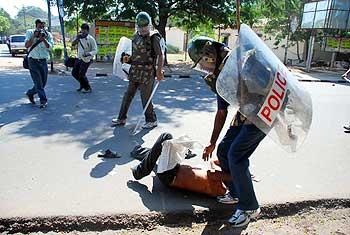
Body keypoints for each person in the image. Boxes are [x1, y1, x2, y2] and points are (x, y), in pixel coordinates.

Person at [188, 36, 267, 227]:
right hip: (244, 114)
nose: (203, 68)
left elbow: (265, 81)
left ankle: (249, 207)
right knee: (223, 151)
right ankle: (236, 193)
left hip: (263, 111)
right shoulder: (221, 75)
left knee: (236, 155)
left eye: (202, 63)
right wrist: (213, 142)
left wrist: (246, 71)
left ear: (209, 56)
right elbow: (221, 111)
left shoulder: (240, 61)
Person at [130, 132, 231, 197]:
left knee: (166, 138)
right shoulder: (223, 179)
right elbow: (214, 162)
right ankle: (138, 151)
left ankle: (139, 171)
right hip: (173, 169)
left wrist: (233, 172)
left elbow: (212, 173)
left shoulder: (221, 189)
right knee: (160, 152)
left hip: (169, 175)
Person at [111, 11, 164, 129]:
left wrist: (159, 71)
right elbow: (135, 56)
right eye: (141, 27)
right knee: (128, 95)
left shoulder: (153, 37)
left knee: (146, 97)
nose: (143, 29)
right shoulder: (135, 36)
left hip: (147, 72)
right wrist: (127, 59)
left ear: (149, 25)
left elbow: (160, 55)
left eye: (145, 27)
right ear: (137, 26)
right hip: (134, 71)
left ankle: (151, 120)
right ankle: (121, 118)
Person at [24, 19, 54, 108]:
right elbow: (26, 45)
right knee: (38, 82)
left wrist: (43, 39)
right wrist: (34, 36)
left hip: (43, 61)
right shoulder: (30, 32)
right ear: (36, 25)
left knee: (43, 83)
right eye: (39, 26)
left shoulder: (47, 35)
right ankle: (43, 100)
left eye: (42, 26)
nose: (41, 28)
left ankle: (30, 93)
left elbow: (50, 47)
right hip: (33, 61)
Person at [71, 23, 98, 93]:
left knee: (81, 74)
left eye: (84, 30)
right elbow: (73, 44)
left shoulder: (91, 39)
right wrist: (77, 38)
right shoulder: (79, 37)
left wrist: (89, 53)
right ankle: (82, 84)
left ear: (88, 31)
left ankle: (88, 88)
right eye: (82, 30)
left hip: (87, 59)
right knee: (74, 73)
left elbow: (95, 50)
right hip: (79, 58)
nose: (83, 31)